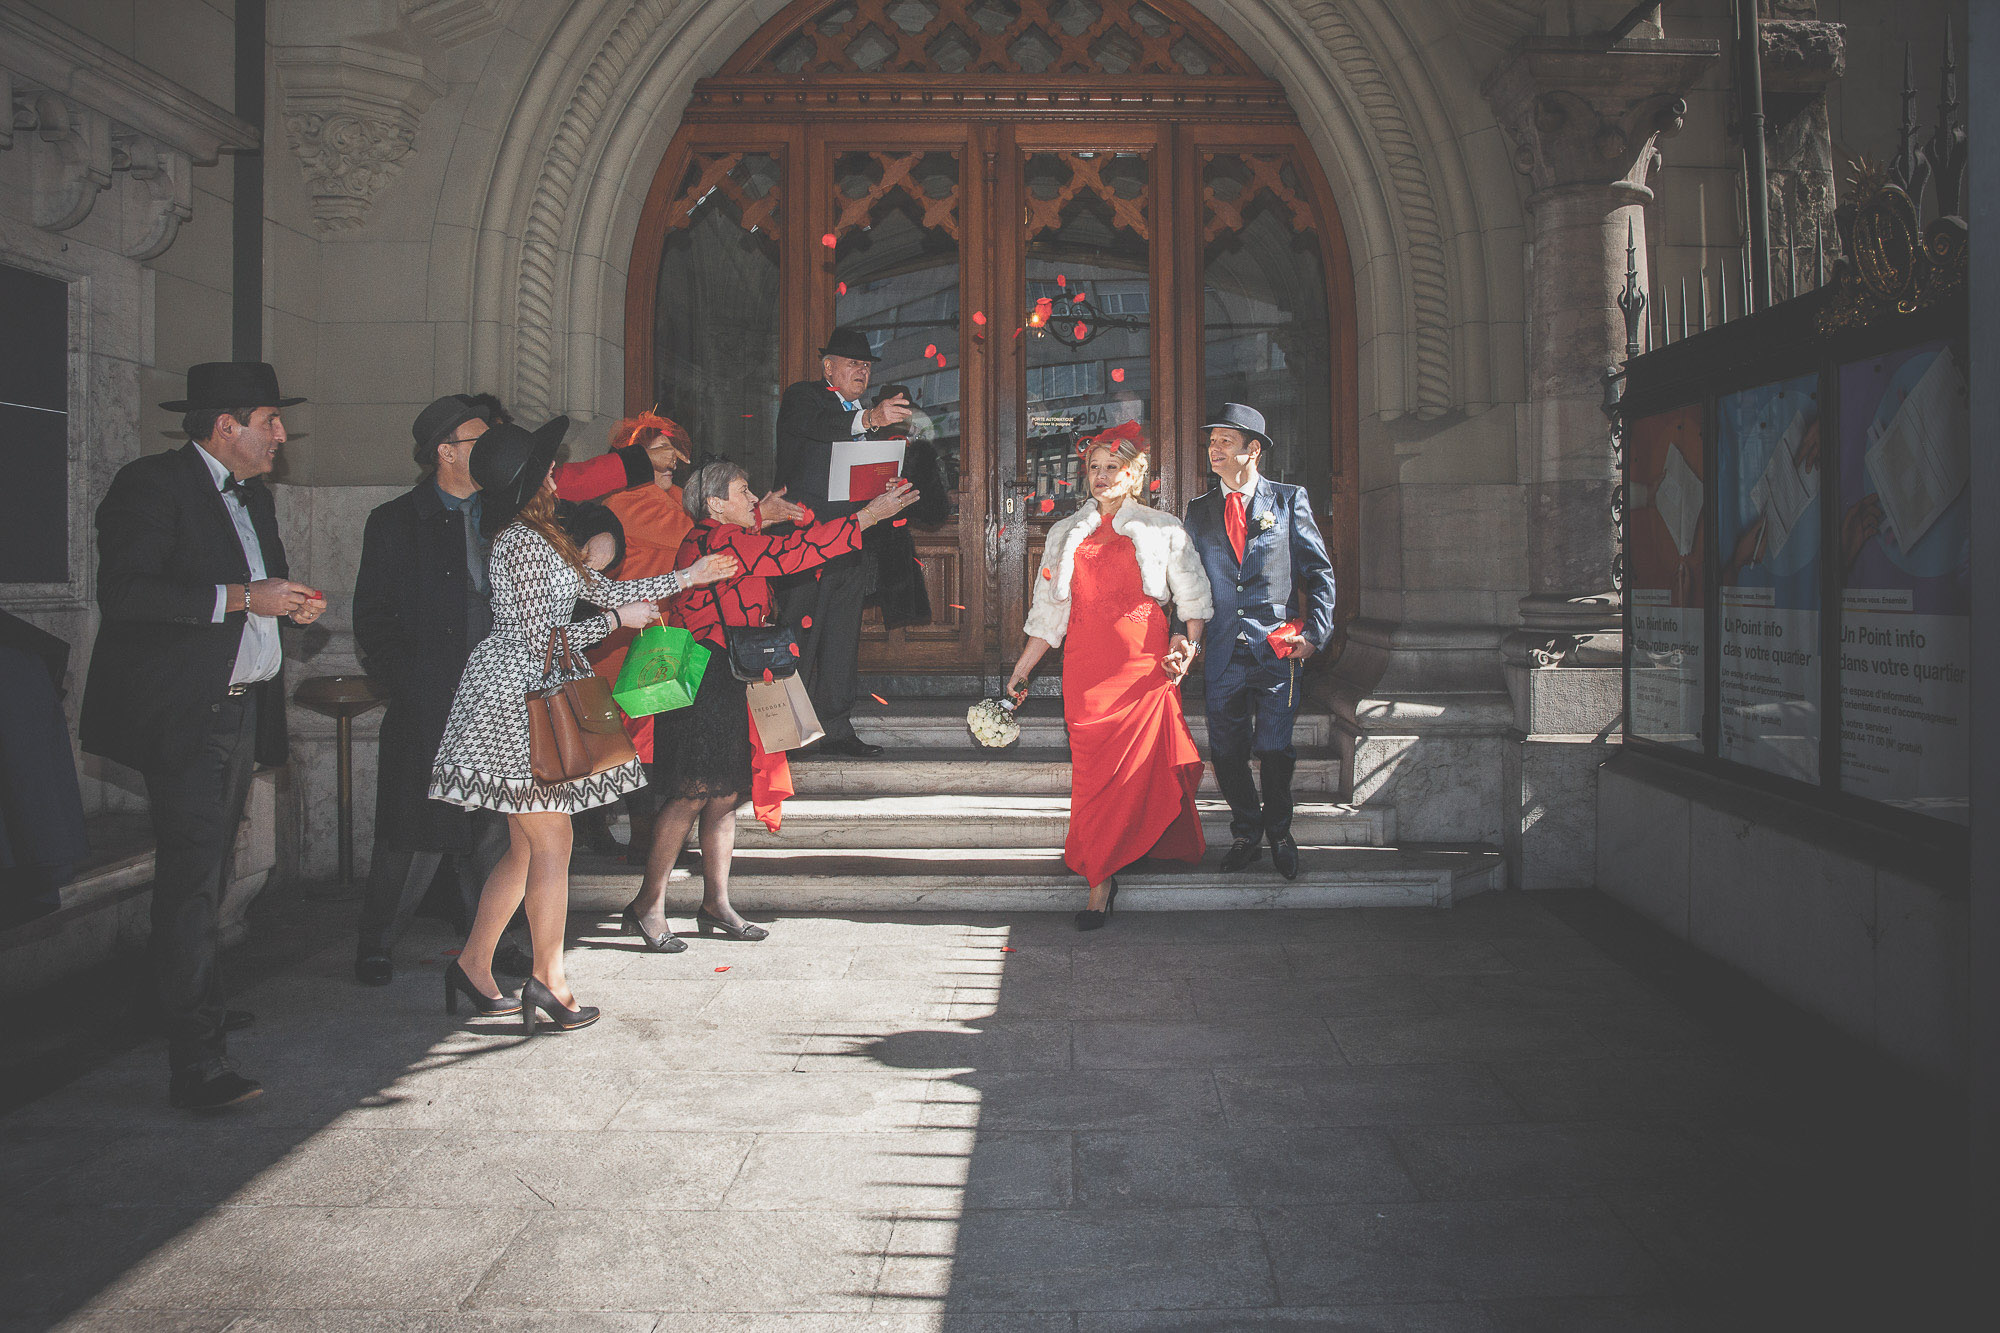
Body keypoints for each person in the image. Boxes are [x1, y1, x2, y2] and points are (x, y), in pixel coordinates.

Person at [427, 417, 738, 1032]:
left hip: (529, 693)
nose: (555, 473)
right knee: (551, 843)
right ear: (526, 482)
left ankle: (472, 965)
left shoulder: (537, 536)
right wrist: (616, 620)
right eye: (545, 467)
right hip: (518, 701)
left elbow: (598, 591)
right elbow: (545, 633)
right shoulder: (521, 541)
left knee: (526, 847)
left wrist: (685, 578)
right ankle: (549, 982)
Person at [79, 362, 325, 1110]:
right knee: (191, 880)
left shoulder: (255, 496)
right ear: (227, 426)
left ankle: (187, 1000)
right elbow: (124, 593)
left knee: (209, 869)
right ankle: (196, 1058)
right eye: (270, 420)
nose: (281, 434)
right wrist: (244, 596)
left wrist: (291, 607)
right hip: (185, 715)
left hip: (241, 709)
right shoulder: (151, 484)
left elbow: (262, 588)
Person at [620, 460, 918, 949]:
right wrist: (867, 516)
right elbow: (789, 554)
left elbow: (762, 544)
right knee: (690, 794)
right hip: (708, 675)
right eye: (744, 491)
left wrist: (764, 515)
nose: (754, 498)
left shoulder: (721, 535)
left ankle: (716, 903)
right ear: (715, 503)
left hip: (732, 672)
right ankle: (647, 905)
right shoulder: (716, 539)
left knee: (723, 796)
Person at [1005, 421, 1213, 930]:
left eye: (1111, 467)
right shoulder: (1063, 533)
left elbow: (1193, 599)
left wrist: (1186, 647)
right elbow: (1047, 615)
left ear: (1133, 474)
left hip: (1144, 665)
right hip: (1086, 666)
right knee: (1094, 775)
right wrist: (1021, 671)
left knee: (1141, 766)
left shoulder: (1163, 527)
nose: (1100, 476)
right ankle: (1102, 876)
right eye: (1093, 468)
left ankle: (1112, 867)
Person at [1182, 403, 1337, 881]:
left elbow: (1318, 572)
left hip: (1277, 650)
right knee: (1227, 751)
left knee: (1274, 749)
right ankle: (1247, 831)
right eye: (1212, 442)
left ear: (1254, 450)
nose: (1214, 449)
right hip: (1224, 651)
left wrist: (1314, 634)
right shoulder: (1199, 511)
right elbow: (1188, 583)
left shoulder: (1289, 501)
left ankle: (1280, 833)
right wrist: (1182, 637)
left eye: (1225, 441)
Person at [770, 327, 914, 757]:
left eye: (867, 366)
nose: (862, 372)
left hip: (853, 538)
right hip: (804, 539)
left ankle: (835, 726)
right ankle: (789, 733)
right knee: (798, 634)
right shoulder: (805, 397)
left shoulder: (866, 418)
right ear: (828, 366)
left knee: (841, 635)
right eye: (853, 364)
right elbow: (817, 427)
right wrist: (870, 418)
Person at [582, 412, 698, 866]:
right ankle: (638, 839)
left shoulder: (670, 495)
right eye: (660, 450)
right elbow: (693, 536)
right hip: (628, 639)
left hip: (662, 634)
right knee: (630, 739)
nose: (673, 458)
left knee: (649, 738)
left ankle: (642, 837)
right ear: (633, 457)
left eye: (674, 448)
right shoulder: (627, 499)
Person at [861, 384, 952, 632]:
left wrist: (909, 489)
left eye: (905, 412)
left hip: (893, 551)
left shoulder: (920, 452)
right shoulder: (860, 440)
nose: (899, 418)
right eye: (893, 410)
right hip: (854, 546)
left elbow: (936, 511)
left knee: (895, 613)